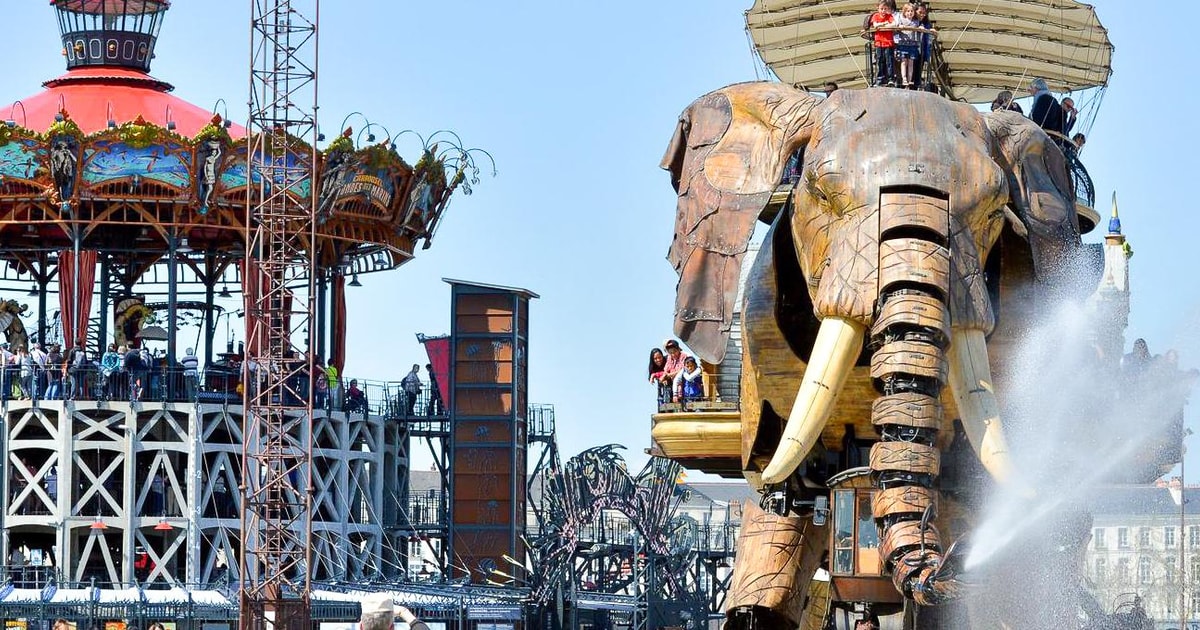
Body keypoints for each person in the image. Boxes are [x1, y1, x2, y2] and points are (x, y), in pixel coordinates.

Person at [863, 1, 897, 87]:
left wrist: (881, 26)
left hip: (888, 43)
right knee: (880, 61)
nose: (883, 10)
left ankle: (890, 79)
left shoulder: (890, 16)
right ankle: (879, 79)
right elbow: (875, 25)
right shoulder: (875, 16)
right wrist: (884, 24)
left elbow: (893, 24)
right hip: (879, 43)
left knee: (889, 61)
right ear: (878, 9)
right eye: (881, 9)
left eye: (885, 9)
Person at [892, 3, 922, 89]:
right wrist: (899, 27)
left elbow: (920, 27)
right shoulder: (901, 20)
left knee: (911, 63)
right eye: (908, 11)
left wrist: (921, 28)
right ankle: (904, 78)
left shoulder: (916, 22)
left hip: (912, 45)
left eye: (911, 11)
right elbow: (896, 29)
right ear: (904, 12)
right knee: (904, 62)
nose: (910, 13)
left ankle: (909, 80)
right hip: (903, 44)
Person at [1027, 78, 1066, 143]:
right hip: (1052, 137)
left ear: (1037, 88)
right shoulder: (1054, 101)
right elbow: (1063, 114)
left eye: (1031, 87)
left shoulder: (1042, 98)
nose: (1030, 90)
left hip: (1040, 135)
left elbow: (1036, 118)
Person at [913, 3, 934, 89]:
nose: (922, 15)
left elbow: (928, 39)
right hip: (912, 47)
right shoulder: (912, 21)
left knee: (919, 67)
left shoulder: (927, 24)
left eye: (924, 13)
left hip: (922, 49)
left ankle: (917, 83)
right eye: (920, 12)